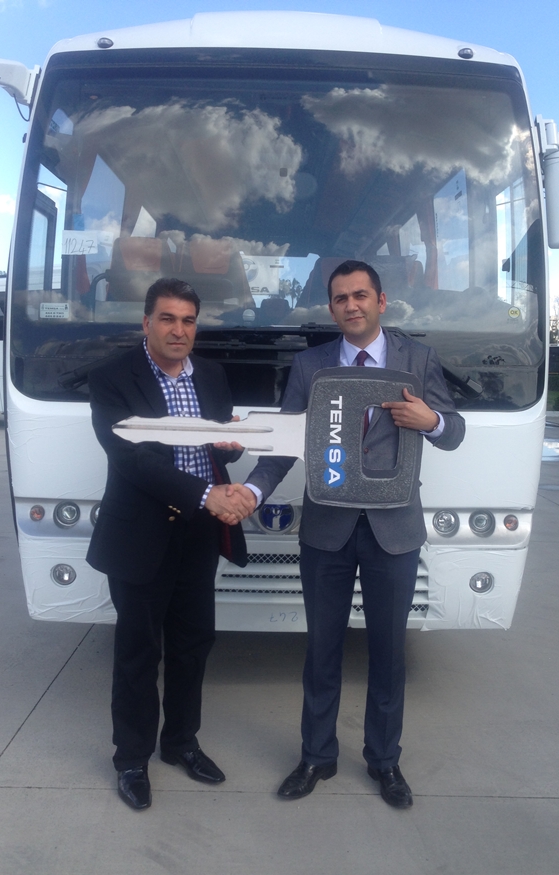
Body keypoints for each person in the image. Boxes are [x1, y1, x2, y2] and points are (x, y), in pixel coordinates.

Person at [239, 259, 465, 809]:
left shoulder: (418, 360)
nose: (351, 305)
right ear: (332, 307)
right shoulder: (310, 366)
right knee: (322, 650)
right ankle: (316, 756)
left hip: (394, 530)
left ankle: (385, 761)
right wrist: (252, 491)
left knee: (388, 654)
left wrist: (431, 421)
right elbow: (285, 443)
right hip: (328, 530)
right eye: (341, 298)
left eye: (360, 295)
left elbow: (454, 431)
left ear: (381, 302)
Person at [87, 277, 255, 811]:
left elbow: (213, 448)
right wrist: (207, 494)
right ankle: (131, 759)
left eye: (188, 320)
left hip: (199, 533)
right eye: (167, 318)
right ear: (146, 323)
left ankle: (181, 742)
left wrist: (230, 446)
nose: (178, 330)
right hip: (142, 533)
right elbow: (132, 459)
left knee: (192, 644)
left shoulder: (211, 375)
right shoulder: (112, 378)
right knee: (139, 650)